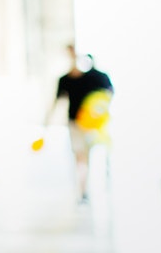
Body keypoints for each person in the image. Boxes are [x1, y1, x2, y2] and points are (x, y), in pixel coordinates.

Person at [47, 47, 114, 202]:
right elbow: (58, 101)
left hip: (94, 125)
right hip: (76, 124)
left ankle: (96, 185)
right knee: (81, 157)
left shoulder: (96, 77)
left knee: (92, 154)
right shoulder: (65, 79)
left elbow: (108, 94)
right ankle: (83, 189)